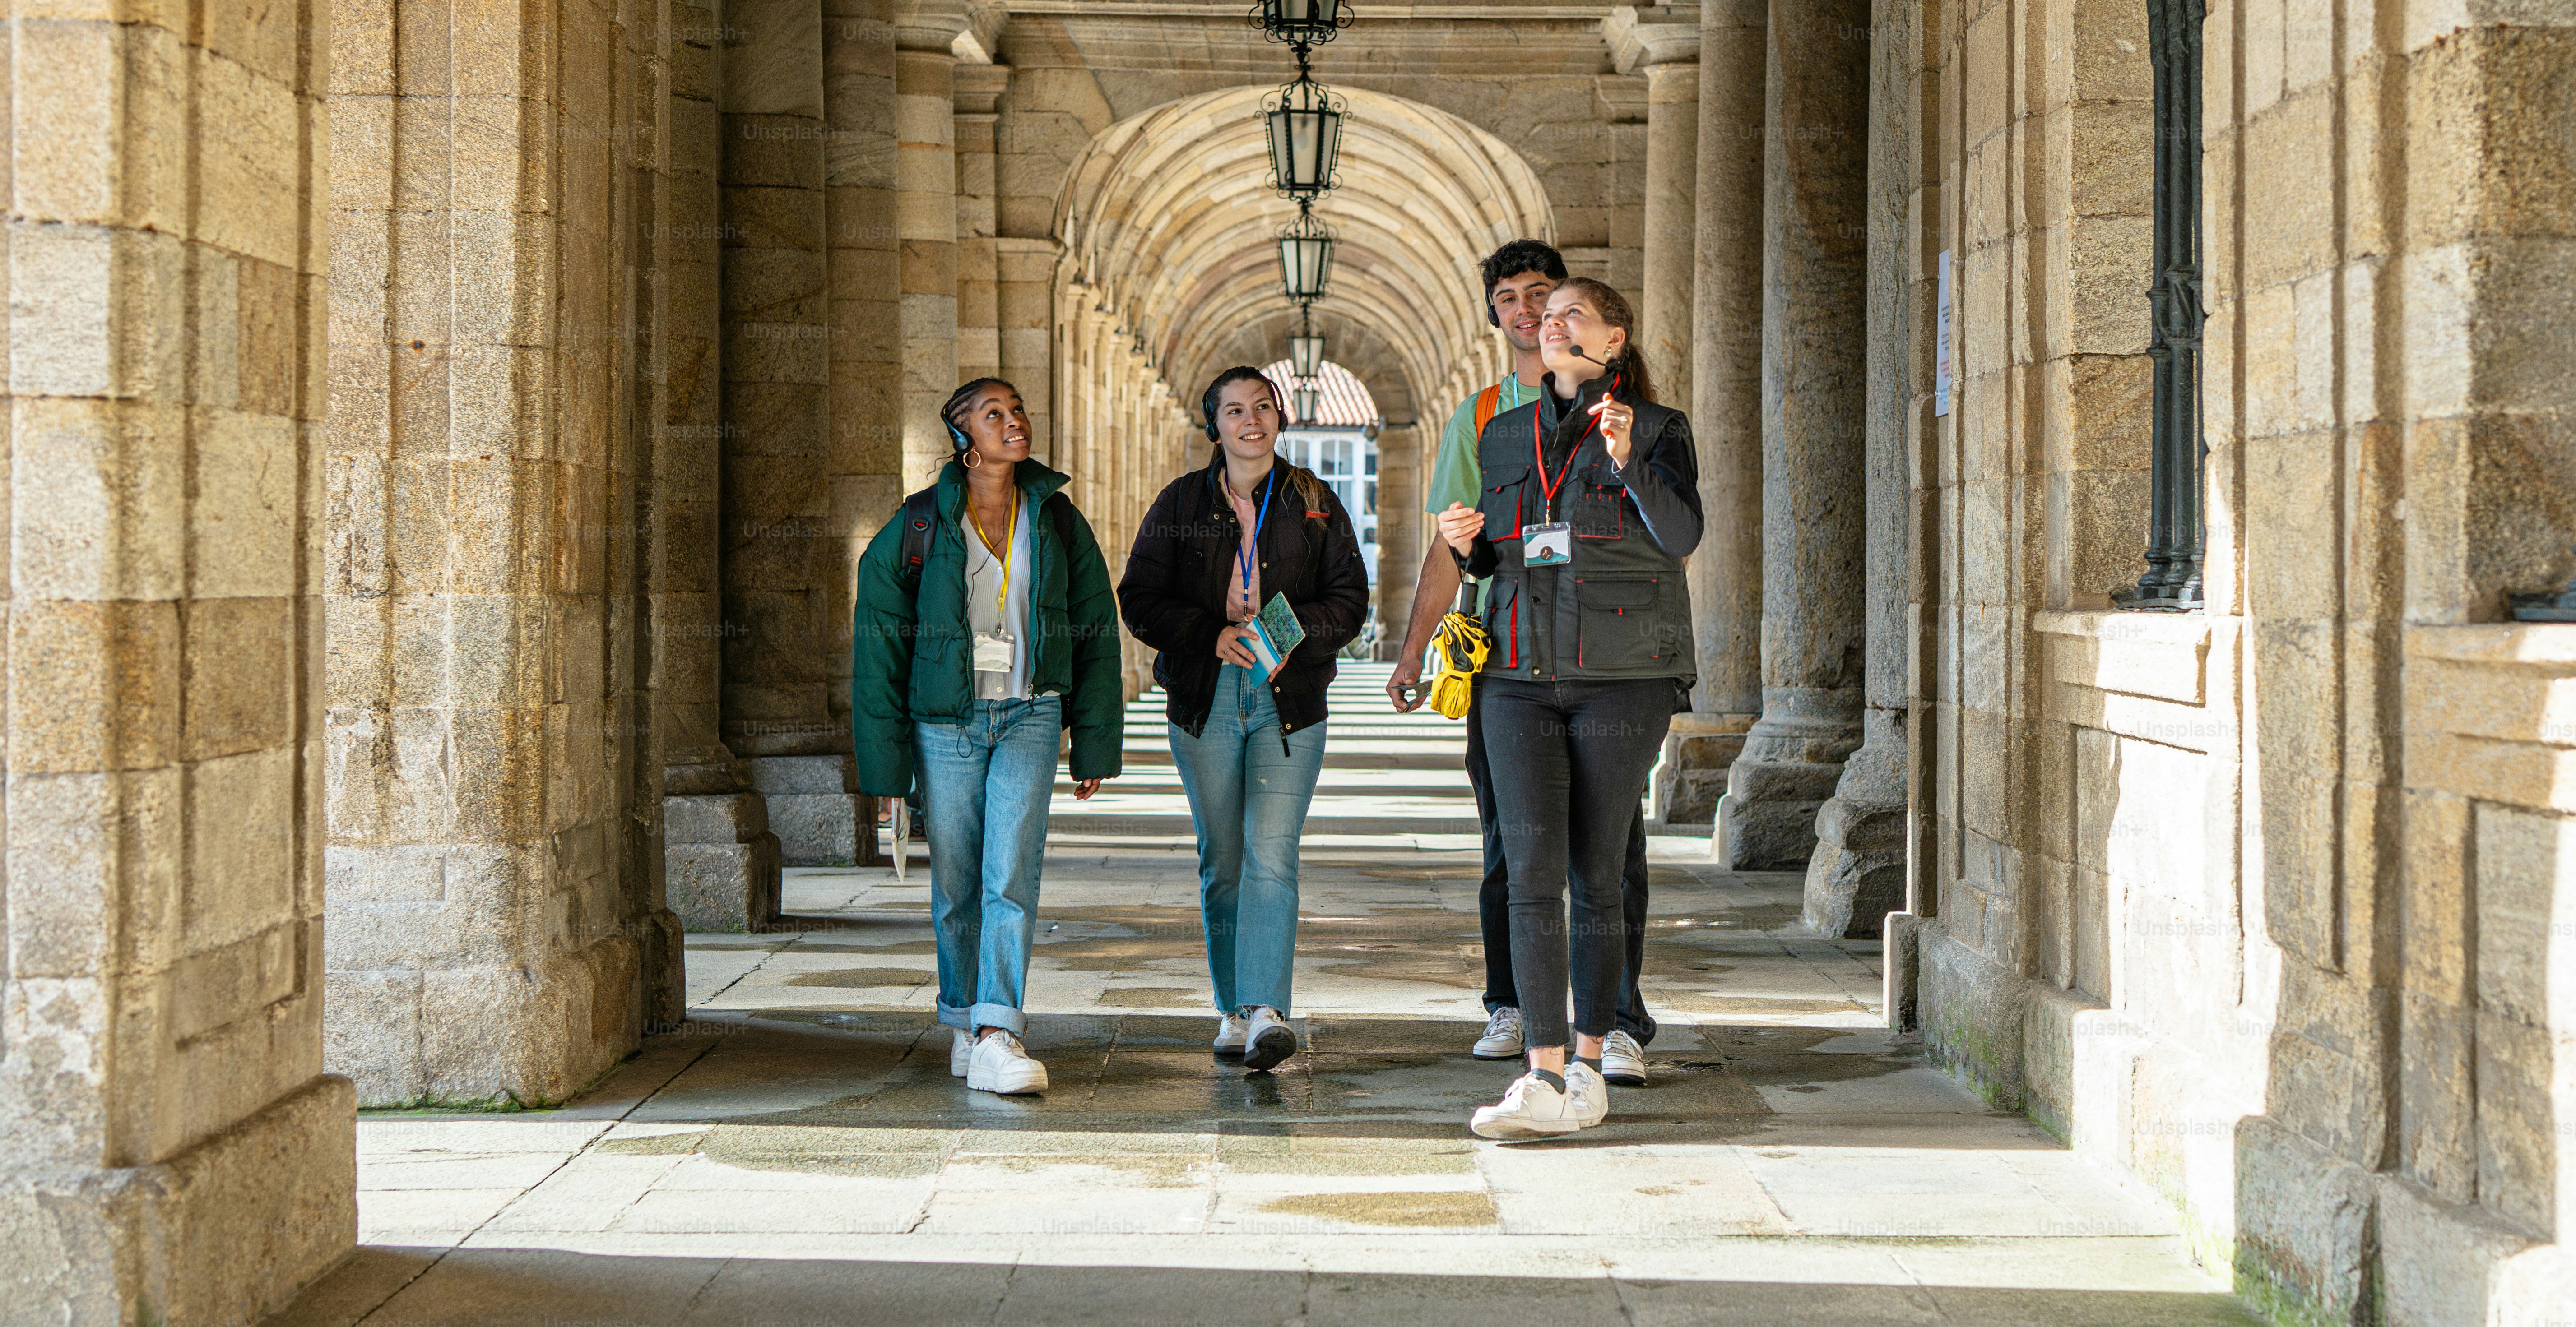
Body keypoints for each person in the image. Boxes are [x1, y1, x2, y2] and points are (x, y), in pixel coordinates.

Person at [1387, 240, 1661, 1087]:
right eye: (1508, 298)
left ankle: (1616, 1018)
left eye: (1541, 296)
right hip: (1505, 652)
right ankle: (1512, 1001)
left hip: (1603, 654)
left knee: (1613, 851)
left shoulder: (1626, 412)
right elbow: (1451, 540)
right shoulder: (1481, 419)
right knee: (1511, 835)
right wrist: (1412, 650)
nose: (1525, 312)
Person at [1437, 279, 1701, 1138]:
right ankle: (1541, 1072)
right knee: (1527, 870)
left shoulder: (1658, 430)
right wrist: (1469, 549)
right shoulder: (1505, 432)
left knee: (1596, 873)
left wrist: (1628, 463)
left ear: (1615, 340)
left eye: (1572, 316)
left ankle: (1592, 1062)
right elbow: (1510, 557)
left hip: (1622, 674)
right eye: (1545, 318)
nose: (1551, 324)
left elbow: (1681, 538)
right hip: (1515, 673)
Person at [850, 379, 1124, 1096]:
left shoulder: (1058, 519)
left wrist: (1093, 741)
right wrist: (884, 772)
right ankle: (965, 1018)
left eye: (1018, 411)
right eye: (993, 415)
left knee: (1011, 872)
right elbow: (878, 642)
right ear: (963, 435)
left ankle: (999, 1026)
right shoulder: (918, 523)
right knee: (957, 883)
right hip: (945, 722)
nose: (1014, 423)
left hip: (1031, 712)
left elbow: (1096, 625)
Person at [1120, 367, 1370, 1072]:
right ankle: (1232, 1007)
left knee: (1272, 851)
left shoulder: (1316, 501)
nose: (1250, 420)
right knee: (1222, 855)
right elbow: (1138, 597)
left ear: (1280, 416)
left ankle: (1266, 1009)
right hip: (1206, 697)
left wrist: (1280, 633)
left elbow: (1351, 601)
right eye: (1234, 410)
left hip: (1289, 700)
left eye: (1262, 407)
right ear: (1215, 425)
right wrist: (1209, 634)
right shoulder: (1179, 502)